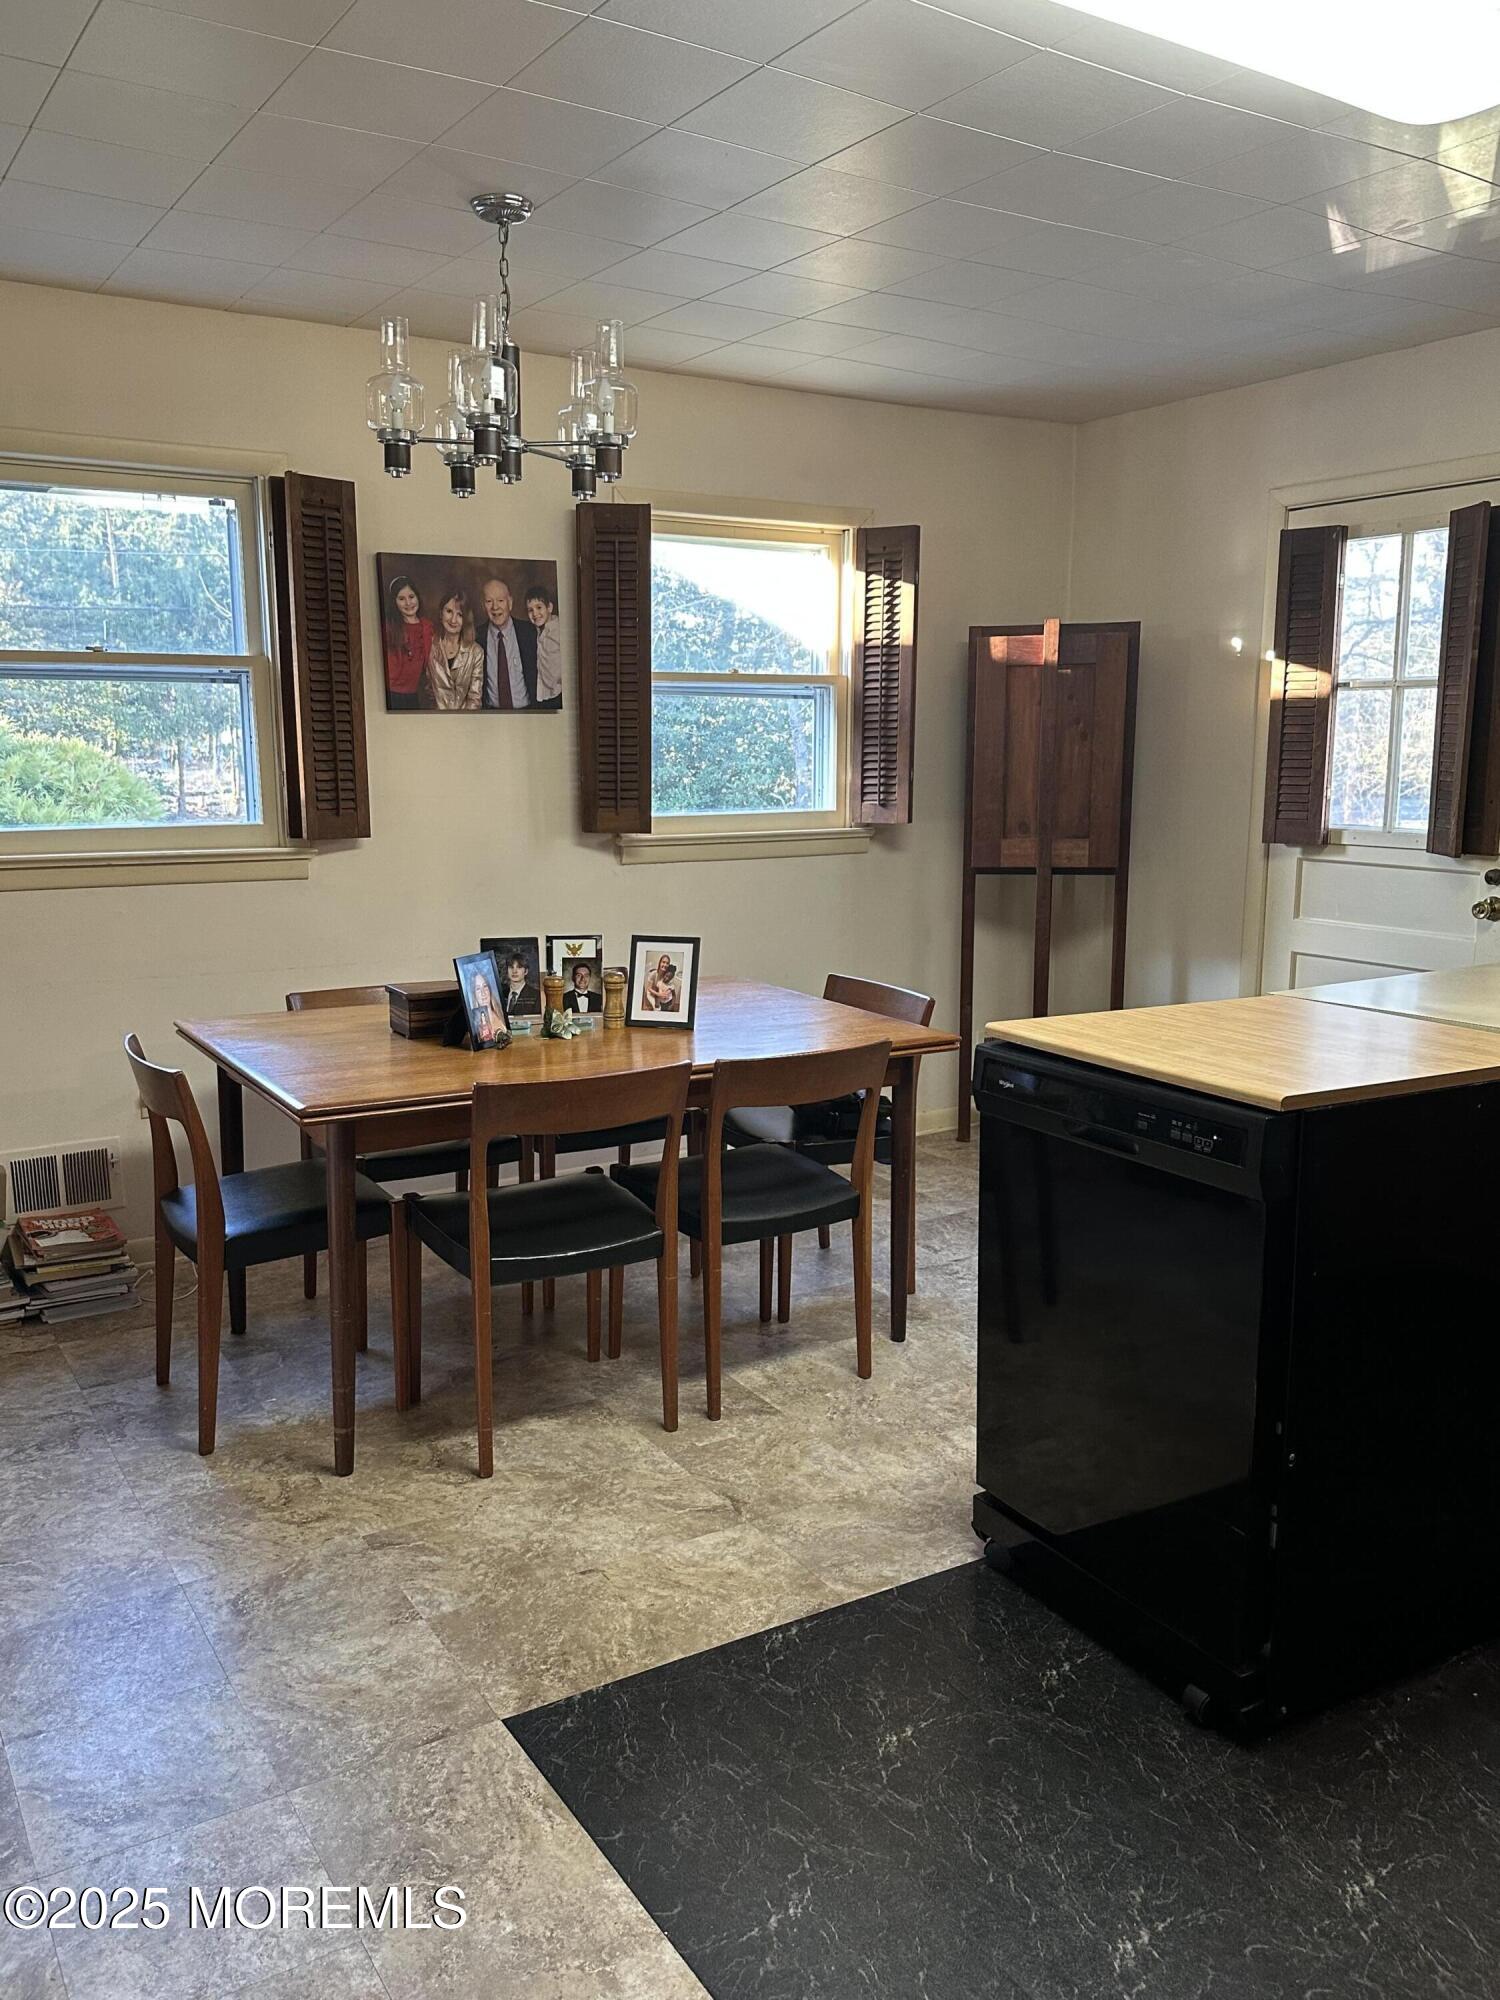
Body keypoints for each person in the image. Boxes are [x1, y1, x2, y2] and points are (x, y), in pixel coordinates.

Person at [480, 576, 538, 710]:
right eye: (489, 601)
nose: (495, 607)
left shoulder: (530, 632)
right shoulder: (476, 636)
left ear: (510, 603)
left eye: (500, 600)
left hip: (528, 713)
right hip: (490, 716)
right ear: (483, 605)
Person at [426, 586, 483, 711]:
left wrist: (461, 724)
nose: (453, 620)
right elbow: (426, 690)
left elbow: (475, 697)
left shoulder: (476, 652)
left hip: (465, 722)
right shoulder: (429, 645)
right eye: (449, 611)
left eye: (460, 615)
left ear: (466, 619)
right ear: (441, 613)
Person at [384, 574, 432, 711]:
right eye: (401, 599)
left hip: (414, 694)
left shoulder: (427, 627)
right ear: (394, 602)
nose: (408, 603)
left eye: (411, 597)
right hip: (392, 693)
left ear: (417, 597)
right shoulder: (389, 628)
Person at [526, 582, 562, 711]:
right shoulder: (535, 631)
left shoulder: (559, 630)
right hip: (542, 694)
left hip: (558, 692)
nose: (535, 613)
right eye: (530, 610)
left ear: (549, 607)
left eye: (539, 607)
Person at [467, 968, 506, 1048]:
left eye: (485, 986)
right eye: (478, 989)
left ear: (489, 989)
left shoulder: (500, 1012)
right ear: (474, 994)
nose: (483, 992)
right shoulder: (474, 1024)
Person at [501, 950, 539, 1017]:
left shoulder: (536, 996)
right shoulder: (500, 994)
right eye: (511, 967)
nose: (514, 971)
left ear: (526, 971)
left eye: (519, 967)